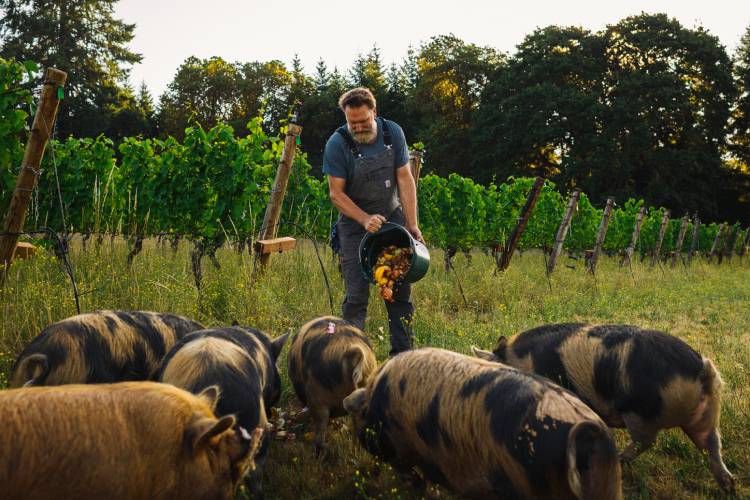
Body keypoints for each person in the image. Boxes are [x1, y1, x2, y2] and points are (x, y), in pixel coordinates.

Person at [323, 87, 423, 356]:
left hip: (392, 219)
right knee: (356, 297)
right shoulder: (337, 144)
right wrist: (364, 219)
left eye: (363, 121)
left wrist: (411, 224)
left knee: (399, 292)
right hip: (355, 226)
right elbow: (336, 194)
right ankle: (353, 358)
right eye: (352, 122)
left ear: (374, 113)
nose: (357, 127)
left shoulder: (393, 133)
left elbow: (404, 178)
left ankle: (402, 356)